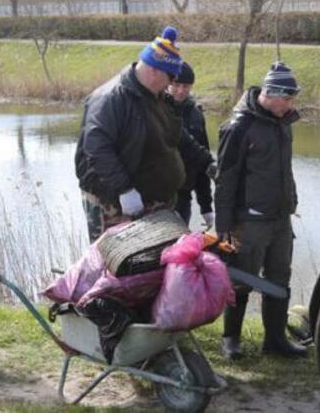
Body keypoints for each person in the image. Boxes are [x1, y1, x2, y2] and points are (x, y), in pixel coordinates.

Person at [75, 26, 211, 242]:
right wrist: (125, 190)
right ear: (155, 70)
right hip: (113, 203)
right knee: (113, 268)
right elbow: (97, 149)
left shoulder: (156, 98)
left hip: (150, 202)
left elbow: (178, 136)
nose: (170, 84)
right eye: (170, 77)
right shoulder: (111, 98)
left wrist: (207, 162)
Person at [215, 61, 306, 359]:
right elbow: (225, 179)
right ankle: (231, 340)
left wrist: (290, 201)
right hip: (249, 220)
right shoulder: (240, 126)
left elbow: (285, 169)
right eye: (288, 99)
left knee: (279, 278)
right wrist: (224, 225)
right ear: (271, 93)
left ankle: (276, 339)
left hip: (280, 218)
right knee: (241, 279)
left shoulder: (283, 123)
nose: (291, 104)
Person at [167, 61, 215, 227]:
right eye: (176, 84)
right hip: (156, 199)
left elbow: (202, 162)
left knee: (179, 251)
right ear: (167, 82)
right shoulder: (157, 110)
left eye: (186, 86)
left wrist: (206, 207)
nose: (181, 91)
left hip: (183, 198)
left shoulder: (196, 115)